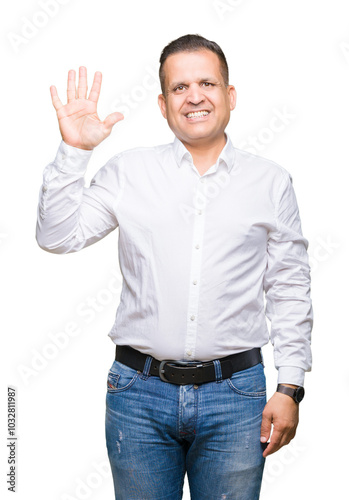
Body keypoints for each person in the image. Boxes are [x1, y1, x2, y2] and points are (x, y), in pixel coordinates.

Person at [36, 34, 313, 500]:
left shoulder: (270, 181)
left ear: (230, 96)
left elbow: (290, 287)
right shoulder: (128, 172)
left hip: (238, 397)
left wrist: (291, 386)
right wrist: (74, 152)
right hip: (138, 395)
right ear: (163, 106)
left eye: (207, 82)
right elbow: (57, 237)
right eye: (180, 87)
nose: (195, 96)